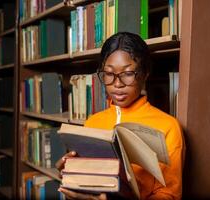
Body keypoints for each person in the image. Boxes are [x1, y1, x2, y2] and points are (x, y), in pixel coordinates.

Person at [56, 32, 185, 200]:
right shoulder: (93, 122)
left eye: (128, 73)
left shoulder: (168, 126)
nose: (117, 84)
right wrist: (73, 176)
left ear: (145, 73)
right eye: (109, 74)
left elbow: (170, 195)